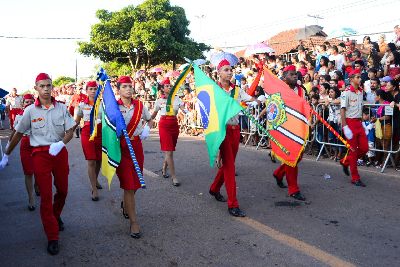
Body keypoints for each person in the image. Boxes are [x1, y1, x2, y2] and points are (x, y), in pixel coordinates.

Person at [0, 73, 75, 255]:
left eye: (49, 85)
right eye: (42, 86)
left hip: (58, 152)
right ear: (36, 88)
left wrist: (61, 143)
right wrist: (7, 154)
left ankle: (55, 216)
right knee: (46, 196)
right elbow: (18, 134)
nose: (46, 89)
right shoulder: (30, 111)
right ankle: (52, 236)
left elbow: (70, 130)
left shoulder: (61, 108)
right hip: (40, 154)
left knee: (63, 191)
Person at [209, 59, 258, 217]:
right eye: (226, 70)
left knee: (229, 164)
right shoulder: (214, 90)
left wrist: (262, 100)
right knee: (230, 167)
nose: (229, 72)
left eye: (231, 70)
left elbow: (250, 99)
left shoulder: (236, 90)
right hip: (222, 131)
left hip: (235, 131)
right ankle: (233, 204)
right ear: (219, 72)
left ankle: (214, 188)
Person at [115, 76, 152, 238]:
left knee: (136, 183)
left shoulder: (140, 105)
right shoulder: (113, 107)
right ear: (118, 89)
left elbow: (149, 120)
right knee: (128, 185)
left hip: (136, 146)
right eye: (124, 86)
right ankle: (134, 222)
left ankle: (126, 205)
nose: (128, 89)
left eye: (130, 86)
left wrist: (147, 129)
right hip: (121, 148)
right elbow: (103, 123)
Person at [266, 65, 307, 201]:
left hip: (299, 127)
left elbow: (304, 107)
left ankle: (278, 173)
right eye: (291, 74)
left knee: (298, 156)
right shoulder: (278, 91)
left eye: (295, 74)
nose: (295, 76)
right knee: (292, 158)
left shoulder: (301, 90)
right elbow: (273, 108)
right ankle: (293, 189)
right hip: (284, 129)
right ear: (284, 78)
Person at [151, 78, 186, 187]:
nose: (169, 87)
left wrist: (186, 111)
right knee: (169, 151)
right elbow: (154, 114)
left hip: (174, 124)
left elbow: (183, 109)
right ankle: (174, 177)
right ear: (162, 88)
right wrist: (147, 121)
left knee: (170, 150)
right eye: (167, 86)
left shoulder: (177, 98)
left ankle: (164, 168)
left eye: (170, 86)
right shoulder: (159, 100)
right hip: (164, 125)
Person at [7, 94, 39, 210]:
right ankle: (31, 197)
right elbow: (15, 131)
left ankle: (37, 185)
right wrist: (9, 144)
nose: (29, 104)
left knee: (39, 170)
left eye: (31, 102)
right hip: (25, 144)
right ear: (23, 104)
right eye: (27, 102)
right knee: (28, 172)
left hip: (38, 143)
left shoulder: (40, 114)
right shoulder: (19, 116)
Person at [74, 80, 102, 201]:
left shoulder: (103, 104)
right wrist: (69, 131)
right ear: (86, 91)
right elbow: (76, 120)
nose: (93, 91)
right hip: (87, 133)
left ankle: (95, 179)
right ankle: (94, 188)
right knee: (91, 161)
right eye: (90, 89)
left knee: (99, 159)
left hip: (101, 133)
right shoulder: (81, 105)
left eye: (95, 89)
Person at [340, 69, 368, 187]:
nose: (360, 79)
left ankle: (346, 161)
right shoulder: (346, 92)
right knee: (353, 150)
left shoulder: (361, 91)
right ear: (351, 79)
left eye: (360, 77)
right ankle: (355, 177)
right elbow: (342, 110)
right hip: (350, 123)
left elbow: (360, 109)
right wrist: (345, 126)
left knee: (365, 148)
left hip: (358, 123)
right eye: (357, 77)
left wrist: (362, 124)